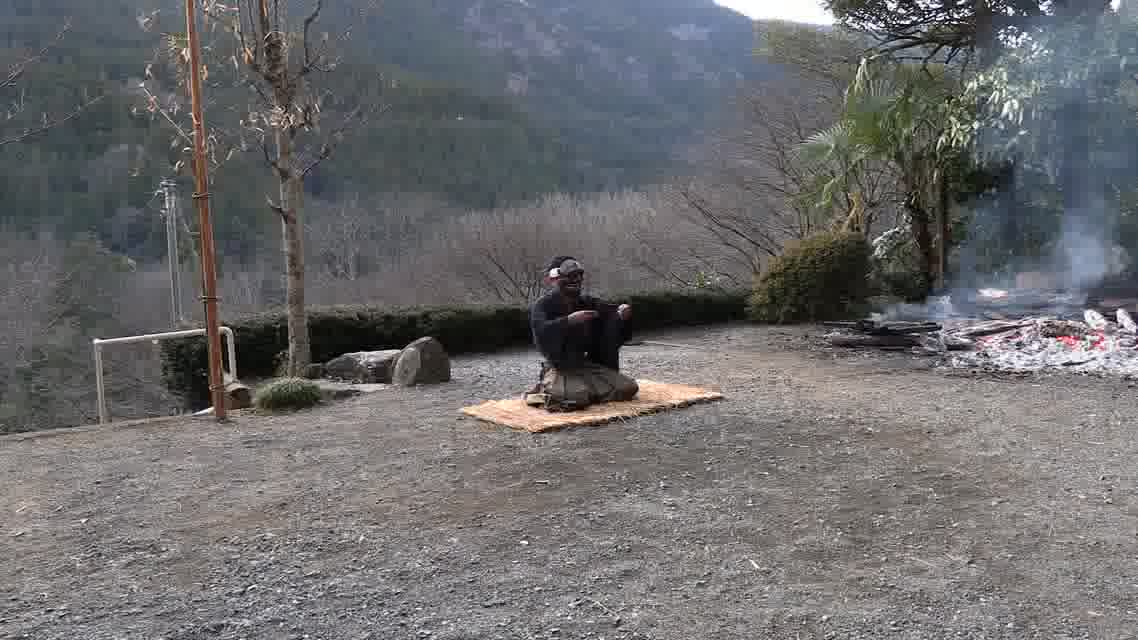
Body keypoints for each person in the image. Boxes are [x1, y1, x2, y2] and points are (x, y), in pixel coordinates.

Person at [524, 256, 639, 411]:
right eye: (570, 277)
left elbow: (610, 313)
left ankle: (583, 391)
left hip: (584, 365)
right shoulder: (542, 305)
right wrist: (568, 321)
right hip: (559, 367)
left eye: (579, 277)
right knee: (576, 397)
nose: (576, 281)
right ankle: (545, 388)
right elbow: (542, 332)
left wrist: (621, 315)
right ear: (554, 279)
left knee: (628, 388)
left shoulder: (586, 302)